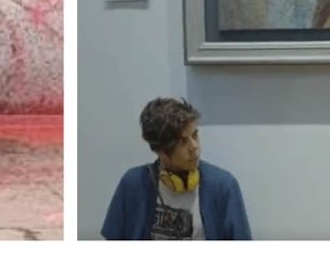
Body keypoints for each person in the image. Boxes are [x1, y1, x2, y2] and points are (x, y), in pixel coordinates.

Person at [101, 97, 252, 240]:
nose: (195, 147)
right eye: (183, 142)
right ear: (161, 151)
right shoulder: (133, 184)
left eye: (195, 135)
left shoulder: (223, 186)